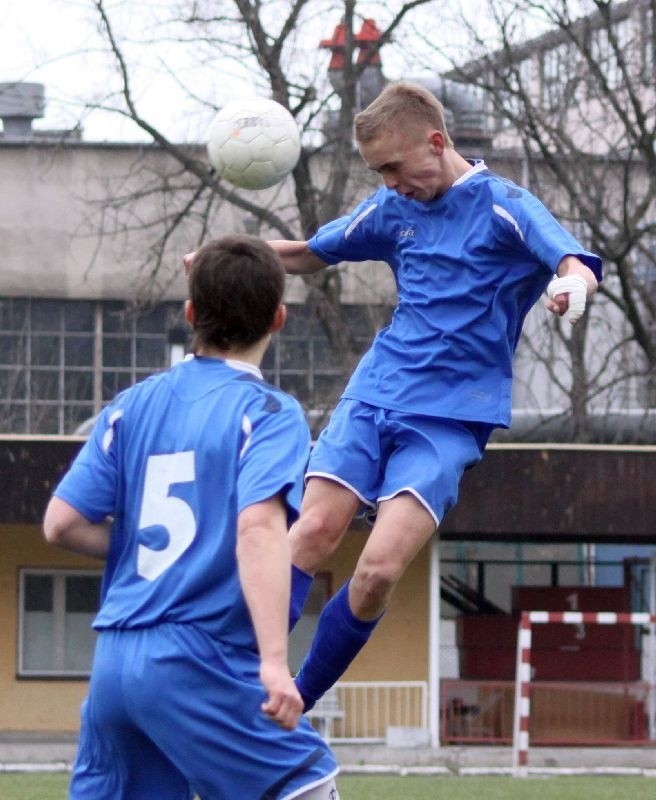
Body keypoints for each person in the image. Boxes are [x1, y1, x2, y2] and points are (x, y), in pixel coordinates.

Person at [264, 80, 603, 713]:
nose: (389, 182)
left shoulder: (507, 207)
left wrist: (571, 291)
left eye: (393, 166)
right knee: (311, 531)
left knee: (377, 572)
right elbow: (311, 253)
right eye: (377, 171)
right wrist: (233, 258)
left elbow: (573, 263)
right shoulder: (392, 210)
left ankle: (294, 704)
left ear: (437, 142)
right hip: (374, 395)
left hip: (451, 420)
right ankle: (229, 679)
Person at [43, 235, 340, 800]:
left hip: (114, 658)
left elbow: (61, 523)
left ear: (190, 314)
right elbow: (259, 528)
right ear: (278, 319)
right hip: (194, 656)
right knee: (305, 783)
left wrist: (138, 545)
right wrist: (276, 663)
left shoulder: (131, 405)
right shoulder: (269, 413)